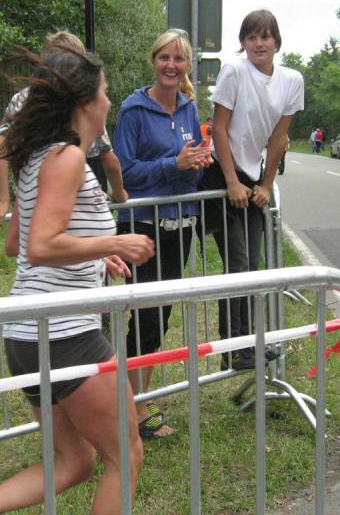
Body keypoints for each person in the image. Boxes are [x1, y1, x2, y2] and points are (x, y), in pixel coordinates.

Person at [0, 48, 155, 515]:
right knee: (126, 455)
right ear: (84, 102)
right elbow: (41, 246)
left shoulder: (42, 158)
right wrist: (115, 242)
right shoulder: (66, 158)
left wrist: (98, 257)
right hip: (65, 333)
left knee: (73, 462)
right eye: (105, 93)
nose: (109, 102)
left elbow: (19, 243)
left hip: (27, 334)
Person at [113, 29, 212, 439]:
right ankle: (134, 409)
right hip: (141, 226)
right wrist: (174, 164)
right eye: (164, 58)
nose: (171, 66)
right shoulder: (133, 110)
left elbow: (191, 174)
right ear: (153, 61)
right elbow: (123, 172)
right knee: (146, 318)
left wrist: (199, 163)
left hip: (180, 223)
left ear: (187, 65)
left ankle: (136, 400)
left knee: (160, 315)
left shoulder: (189, 108)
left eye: (179, 59)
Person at [199, 9, 304, 370]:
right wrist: (232, 181)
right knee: (238, 264)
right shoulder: (234, 70)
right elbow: (219, 128)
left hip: (254, 176)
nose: (259, 44)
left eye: (265, 36)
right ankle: (233, 349)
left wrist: (266, 184)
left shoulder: (292, 80)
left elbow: (279, 137)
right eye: (251, 37)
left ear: (276, 41)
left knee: (253, 267)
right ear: (243, 42)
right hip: (222, 174)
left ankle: (248, 344)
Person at [0, 31, 127, 227]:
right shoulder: (83, 101)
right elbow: (109, 160)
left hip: (30, 198)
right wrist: (119, 194)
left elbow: (1, 144)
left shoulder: (25, 97)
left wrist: (3, 200)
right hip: (67, 199)